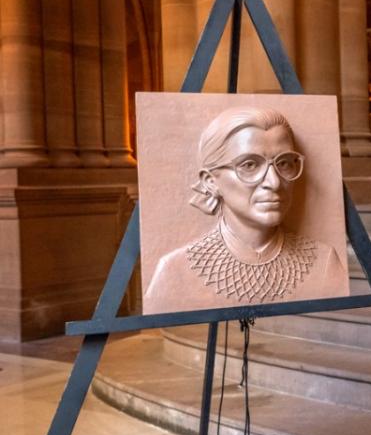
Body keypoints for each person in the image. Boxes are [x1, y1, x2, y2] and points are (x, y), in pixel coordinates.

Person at [144, 106, 345, 314]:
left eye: (283, 163)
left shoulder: (324, 262)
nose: (274, 182)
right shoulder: (175, 271)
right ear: (211, 181)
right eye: (249, 165)